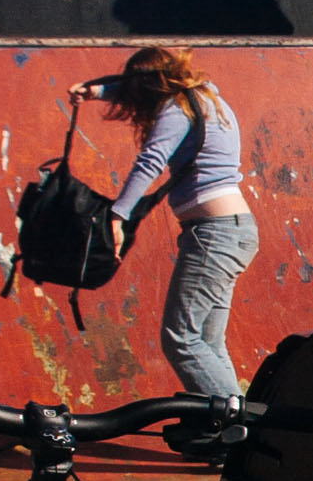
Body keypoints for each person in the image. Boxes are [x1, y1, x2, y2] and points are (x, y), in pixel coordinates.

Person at [69, 47, 254, 405]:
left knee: (181, 338)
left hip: (214, 233)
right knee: (207, 342)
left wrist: (117, 215)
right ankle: (226, 432)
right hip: (230, 230)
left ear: (149, 88)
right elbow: (136, 85)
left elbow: (150, 161)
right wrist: (96, 91)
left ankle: (246, 429)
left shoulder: (176, 109)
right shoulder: (205, 97)